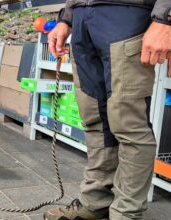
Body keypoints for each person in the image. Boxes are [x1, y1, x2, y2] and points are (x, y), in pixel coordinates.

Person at [45, 0, 171, 219]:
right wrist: (66, 17)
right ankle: (95, 202)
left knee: (128, 125)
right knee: (94, 120)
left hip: (127, 16)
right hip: (82, 19)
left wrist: (166, 17)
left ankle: (126, 213)